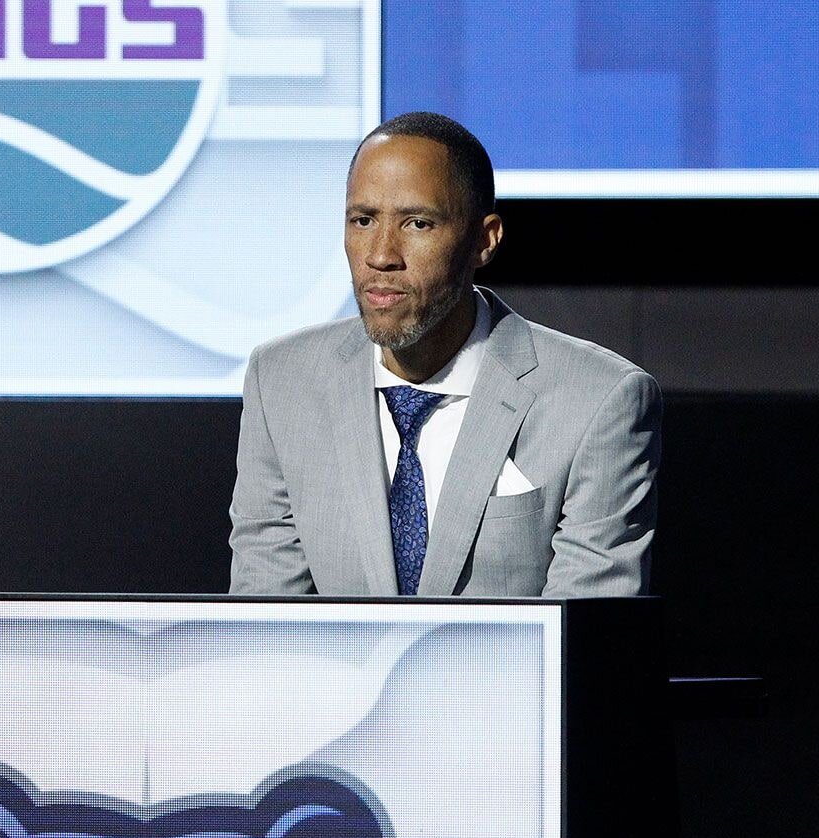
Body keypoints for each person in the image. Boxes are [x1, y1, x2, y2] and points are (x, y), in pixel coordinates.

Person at [228, 113, 661, 597]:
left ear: (484, 239)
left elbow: (580, 643)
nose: (381, 254)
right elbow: (265, 628)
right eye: (363, 220)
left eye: (418, 223)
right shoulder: (282, 382)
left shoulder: (598, 400)